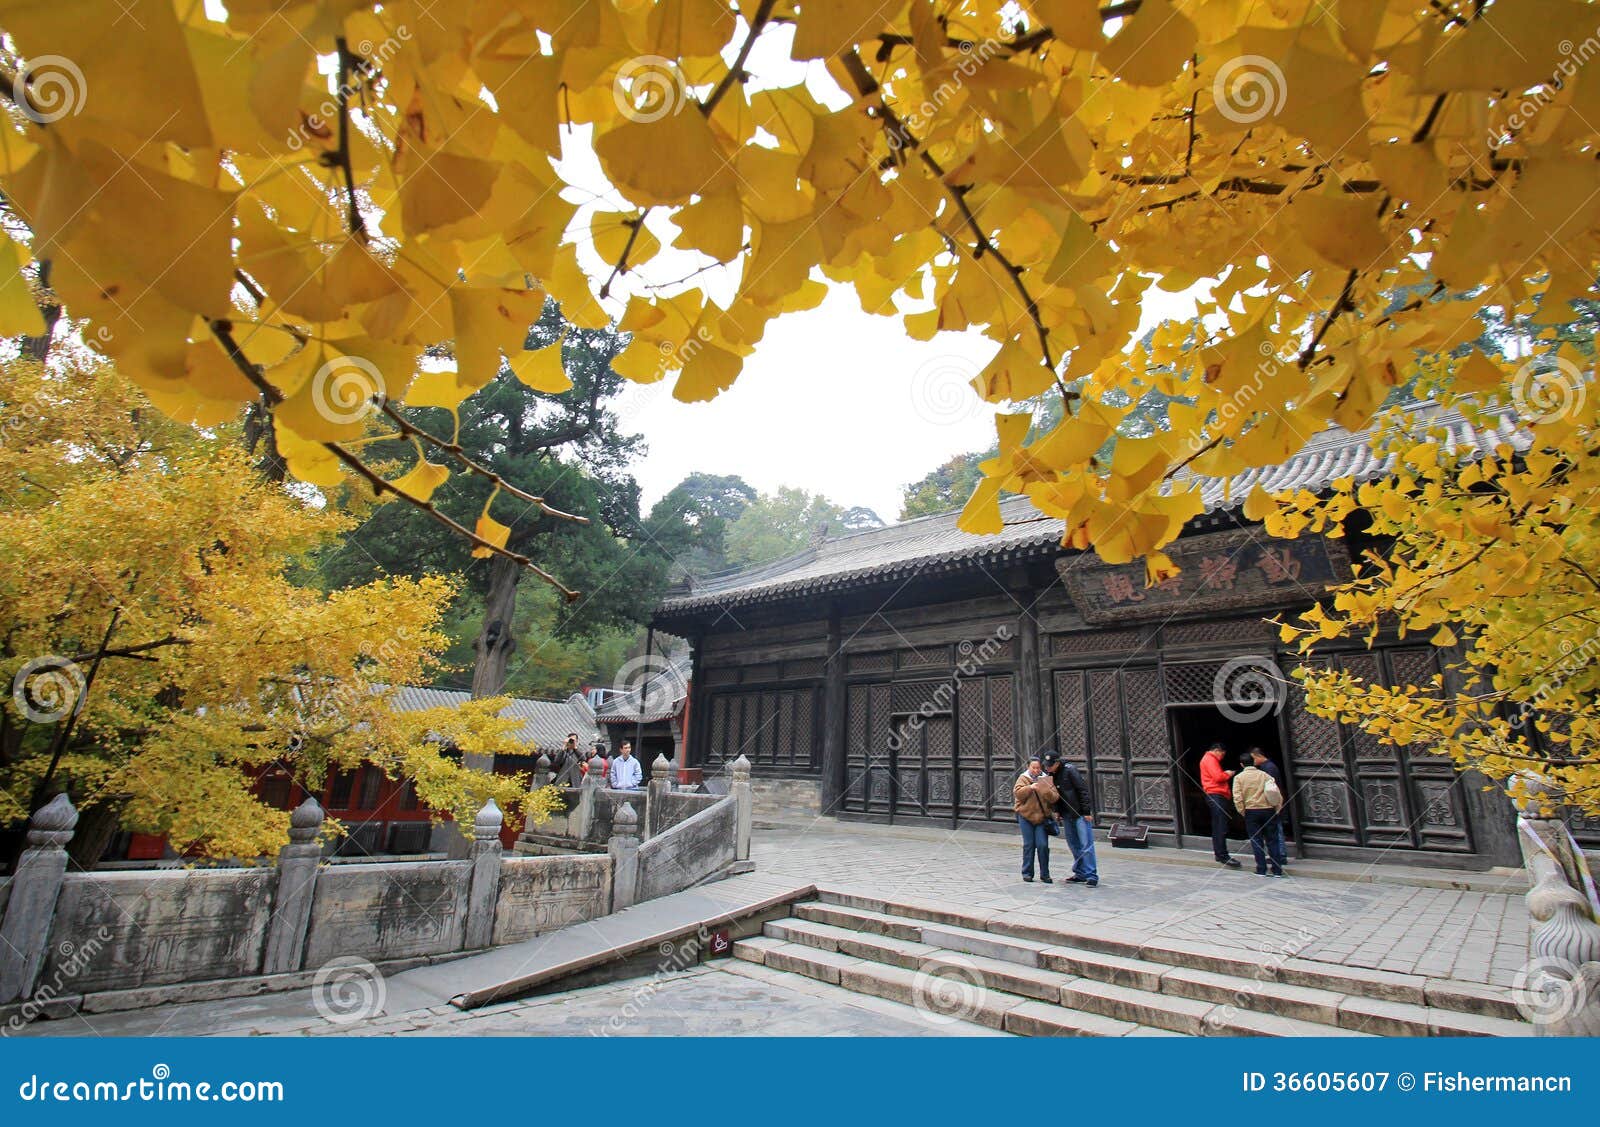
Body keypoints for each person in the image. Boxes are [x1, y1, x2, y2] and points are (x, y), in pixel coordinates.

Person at [1044, 752, 1098, 887]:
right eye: (1046, 766)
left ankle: (1091, 875)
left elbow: (1082, 790)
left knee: (1086, 844)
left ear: (1057, 763)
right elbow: (1056, 795)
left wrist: (1086, 811)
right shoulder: (1051, 775)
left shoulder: (1070, 770)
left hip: (1079, 813)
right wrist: (1057, 810)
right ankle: (1080, 873)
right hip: (1066, 814)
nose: (1047, 768)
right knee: (1073, 844)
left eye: (1050, 766)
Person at [1233, 753, 1285, 876]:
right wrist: (1277, 808)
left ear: (1241, 764)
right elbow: (1275, 792)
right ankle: (1277, 870)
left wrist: (1242, 812)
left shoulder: (1239, 778)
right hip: (1268, 810)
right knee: (1272, 840)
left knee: (1256, 841)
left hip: (1251, 811)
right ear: (1254, 762)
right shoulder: (1265, 775)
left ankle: (1261, 869)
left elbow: (1237, 798)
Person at [1012, 756, 1059, 884]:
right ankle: (1027, 873)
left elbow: (1054, 797)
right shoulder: (1023, 778)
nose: (1036, 770)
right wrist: (1030, 788)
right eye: (1033, 767)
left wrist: (1043, 789)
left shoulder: (1046, 779)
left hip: (1042, 818)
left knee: (1043, 845)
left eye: (1038, 767)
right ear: (1028, 767)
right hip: (1026, 816)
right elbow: (1018, 794)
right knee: (1029, 845)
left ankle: (1045, 874)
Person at [1247, 747, 1290, 874]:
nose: (1253, 761)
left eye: (1253, 758)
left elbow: (1271, 789)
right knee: (1274, 831)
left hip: (1270, 804)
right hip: (1269, 804)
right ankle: (1278, 859)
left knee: (1276, 831)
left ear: (1258, 756)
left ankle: (1281, 855)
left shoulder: (1268, 768)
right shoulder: (1268, 767)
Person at [1200, 743, 1242, 868]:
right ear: (1217, 751)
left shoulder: (1207, 759)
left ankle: (1219, 853)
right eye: (1222, 754)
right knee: (1220, 825)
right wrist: (1228, 774)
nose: (1222, 757)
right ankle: (1223, 854)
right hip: (1216, 794)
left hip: (1215, 794)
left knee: (1218, 824)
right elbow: (1218, 777)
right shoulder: (1210, 759)